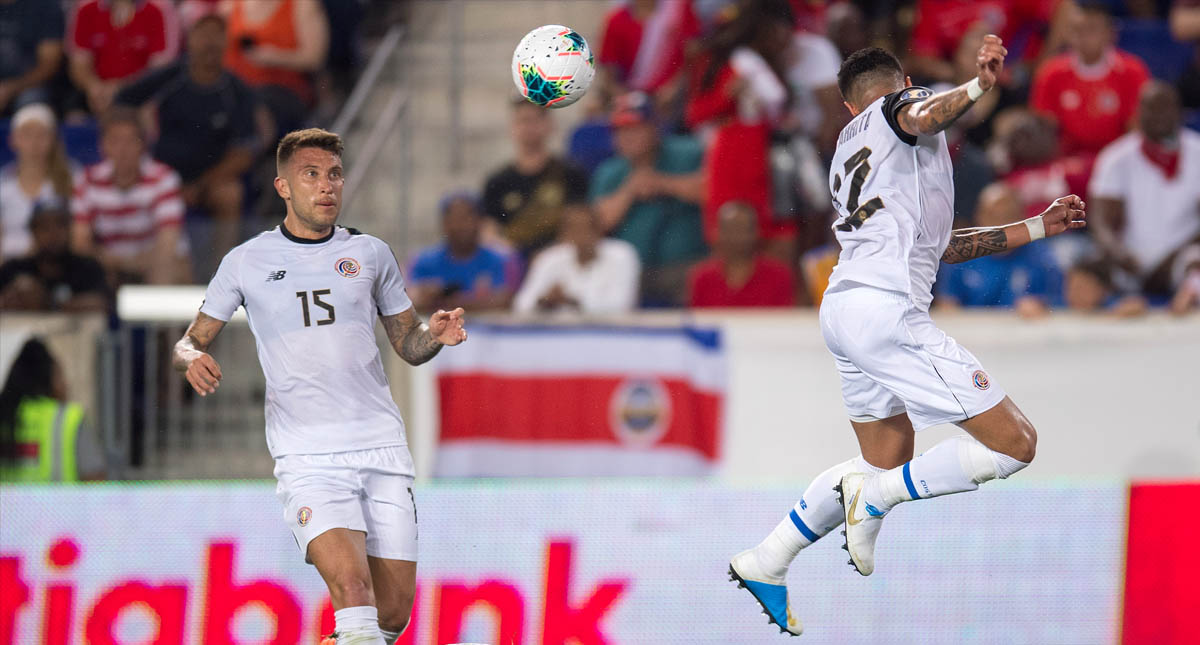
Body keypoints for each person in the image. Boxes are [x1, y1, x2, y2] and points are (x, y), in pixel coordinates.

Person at [727, 39, 1087, 635]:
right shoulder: (904, 109)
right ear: (903, 83)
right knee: (1014, 445)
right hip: (888, 311)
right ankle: (872, 499)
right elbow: (920, 113)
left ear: (846, 108)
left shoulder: (851, 147)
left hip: (842, 307)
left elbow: (945, 247)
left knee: (886, 457)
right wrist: (976, 87)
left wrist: (1035, 225)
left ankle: (768, 559)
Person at [172, 128, 467, 644]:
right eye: (311, 175)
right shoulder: (246, 261)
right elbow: (188, 342)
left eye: (333, 174)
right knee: (353, 592)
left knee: (390, 616)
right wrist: (192, 357)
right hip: (308, 458)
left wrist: (434, 336)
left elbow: (407, 344)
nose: (326, 186)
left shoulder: (371, 253)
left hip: (381, 448)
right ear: (283, 186)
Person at [115, 12, 264, 274]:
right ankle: (139, 268)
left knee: (231, 194)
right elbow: (122, 102)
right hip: (161, 175)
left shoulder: (237, 90)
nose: (209, 42)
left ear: (225, 42)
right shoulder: (169, 78)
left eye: (217, 35)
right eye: (202, 34)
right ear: (189, 40)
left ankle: (222, 274)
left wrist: (201, 184)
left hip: (211, 179)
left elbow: (243, 153)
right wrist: (140, 139)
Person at [685, 0, 796, 263]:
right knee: (730, 239)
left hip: (770, 158)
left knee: (777, 239)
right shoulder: (722, 62)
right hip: (733, 155)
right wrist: (726, 97)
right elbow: (695, 115)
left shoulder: (773, 64)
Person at [1088, 81, 1200, 313]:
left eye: (1164, 107)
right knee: (1083, 268)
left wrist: (1173, 257)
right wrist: (1121, 256)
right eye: (1151, 108)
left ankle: (1186, 302)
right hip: (1129, 261)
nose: (1158, 115)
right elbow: (1100, 222)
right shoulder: (1116, 158)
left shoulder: (1197, 151)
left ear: (1179, 111)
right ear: (1138, 113)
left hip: (1183, 259)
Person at [590, 92, 706, 306]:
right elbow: (597, 223)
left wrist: (664, 183)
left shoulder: (688, 152)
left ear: (655, 128)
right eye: (621, 130)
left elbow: (712, 191)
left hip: (685, 267)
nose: (628, 136)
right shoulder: (609, 172)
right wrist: (629, 191)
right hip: (630, 272)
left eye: (636, 128)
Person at [71, 107, 189, 286]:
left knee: (168, 268)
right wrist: (112, 263)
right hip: (107, 265)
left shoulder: (164, 178)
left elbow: (168, 242)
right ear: (103, 145)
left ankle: (162, 313)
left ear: (142, 144)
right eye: (115, 141)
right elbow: (80, 242)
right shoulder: (87, 180)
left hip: (153, 262)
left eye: (130, 141)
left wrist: (131, 264)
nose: (122, 149)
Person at [1030, 2, 1150, 159]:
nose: (1084, 37)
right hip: (1067, 163)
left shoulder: (1132, 71)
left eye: (1092, 29)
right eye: (1078, 29)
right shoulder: (1051, 72)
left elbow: (1137, 131)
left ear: (1110, 33)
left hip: (1118, 162)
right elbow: (1044, 131)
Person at [935, 183, 1064, 317]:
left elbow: (1061, 305)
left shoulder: (1042, 258)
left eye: (1008, 216)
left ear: (1023, 218)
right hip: (973, 333)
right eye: (993, 216)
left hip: (1024, 333)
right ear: (979, 217)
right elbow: (947, 305)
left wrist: (1042, 306)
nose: (1001, 225)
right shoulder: (960, 254)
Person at [482, 98, 588, 257]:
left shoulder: (570, 174)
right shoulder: (498, 181)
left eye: (536, 120)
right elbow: (488, 233)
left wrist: (547, 259)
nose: (529, 127)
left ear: (550, 125)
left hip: (559, 261)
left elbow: (579, 226)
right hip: (513, 264)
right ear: (513, 127)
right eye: (523, 121)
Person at [0, 338, 105, 482]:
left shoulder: (5, 415)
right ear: (49, 378)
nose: (66, 384)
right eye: (60, 375)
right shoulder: (69, 419)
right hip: (62, 505)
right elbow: (95, 482)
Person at [220, 0, 329, 134]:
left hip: (284, 91)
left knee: (255, 108)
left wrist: (274, 57)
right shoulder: (228, 7)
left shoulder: (301, 4)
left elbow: (314, 59)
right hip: (238, 89)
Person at [513, 202, 640, 314]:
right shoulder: (550, 258)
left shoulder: (621, 255)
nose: (580, 235)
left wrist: (571, 301)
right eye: (573, 229)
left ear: (598, 230)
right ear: (563, 233)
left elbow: (622, 305)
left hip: (606, 336)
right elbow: (521, 305)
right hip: (557, 335)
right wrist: (544, 301)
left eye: (585, 228)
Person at [66, 0, 180, 116]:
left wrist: (120, 89)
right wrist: (94, 87)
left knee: (149, 113)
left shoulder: (159, 8)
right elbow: (78, 65)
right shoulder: (86, 8)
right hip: (95, 95)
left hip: (143, 95)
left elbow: (160, 70)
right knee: (75, 117)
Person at [408, 191, 514, 312]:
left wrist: (451, 303)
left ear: (480, 222)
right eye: (453, 219)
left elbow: (504, 301)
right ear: (443, 224)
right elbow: (410, 301)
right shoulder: (424, 260)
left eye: (466, 218)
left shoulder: (499, 260)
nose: (460, 226)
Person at [0, 103, 75, 261]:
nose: (34, 142)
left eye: (42, 135)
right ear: (13, 140)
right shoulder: (3, 184)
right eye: (27, 135)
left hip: (55, 263)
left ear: (53, 140)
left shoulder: (71, 178)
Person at [0, 203, 108, 312]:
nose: (53, 234)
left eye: (60, 225)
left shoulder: (87, 267)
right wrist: (13, 297)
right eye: (45, 227)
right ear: (33, 232)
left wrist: (48, 302)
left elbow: (102, 303)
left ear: (69, 230)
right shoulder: (13, 269)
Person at [687, 200, 794, 308]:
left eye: (744, 229)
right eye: (730, 229)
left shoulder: (779, 276)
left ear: (756, 232)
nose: (737, 236)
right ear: (717, 233)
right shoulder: (702, 278)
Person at [0, 0, 64, 114]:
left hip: (32, 87)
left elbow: (49, 65)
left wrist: (9, 89)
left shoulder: (45, 5)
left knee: (33, 119)